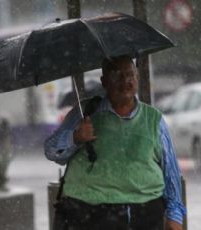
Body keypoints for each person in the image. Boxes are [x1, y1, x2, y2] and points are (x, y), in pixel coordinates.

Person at [45, 56, 186, 230]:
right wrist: (76, 137)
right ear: (104, 81)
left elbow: (170, 170)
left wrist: (174, 215)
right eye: (117, 75)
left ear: (137, 78)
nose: (125, 81)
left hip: (143, 215)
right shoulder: (85, 113)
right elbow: (51, 151)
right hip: (86, 215)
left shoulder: (153, 119)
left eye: (129, 75)